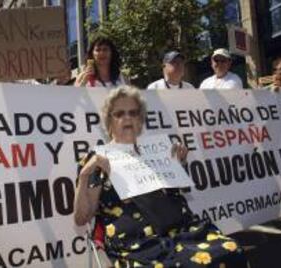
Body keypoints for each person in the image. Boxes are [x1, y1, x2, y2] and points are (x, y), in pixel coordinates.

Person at [74, 86, 249, 267]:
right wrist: (85, 174)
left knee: (231, 250)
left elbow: (175, 195)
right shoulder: (98, 160)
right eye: (119, 114)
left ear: (140, 120)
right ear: (109, 121)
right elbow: (81, 218)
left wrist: (179, 165)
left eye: (133, 113)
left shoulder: (158, 151)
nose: (127, 118)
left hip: (182, 231)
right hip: (137, 243)